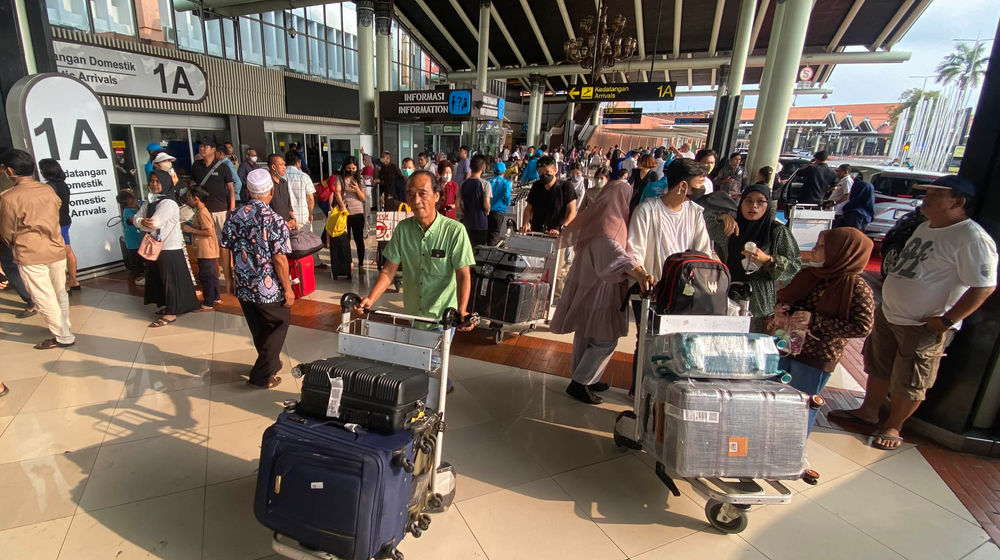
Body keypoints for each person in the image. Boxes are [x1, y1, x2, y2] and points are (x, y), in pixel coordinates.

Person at [832, 175, 997, 450]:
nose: (926, 198)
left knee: (911, 378)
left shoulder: (971, 238)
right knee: (880, 366)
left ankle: (894, 425)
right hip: (892, 313)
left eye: (935, 194)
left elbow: (984, 286)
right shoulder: (926, 227)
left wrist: (946, 320)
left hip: (923, 324)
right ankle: (869, 411)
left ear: (958, 201)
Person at [551, 180, 654, 404]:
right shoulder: (611, 227)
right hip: (600, 291)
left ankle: (586, 376)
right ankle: (580, 382)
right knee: (606, 339)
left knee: (585, 334)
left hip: (585, 286)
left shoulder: (596, 221)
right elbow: (615, 257)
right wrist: (638, 272)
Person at [772, 227, 875, 431]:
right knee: (774, 398)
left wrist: (815, 321)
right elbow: (789, 298)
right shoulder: (811, 274)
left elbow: (862, 327)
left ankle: (793, 451)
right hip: (785, 346)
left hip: (815, 356)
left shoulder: (856, 287)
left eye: (822, 246)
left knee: (802, 405)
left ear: (842, 252)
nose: (815, 249)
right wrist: (781, 309)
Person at [626, 158, 714, 392]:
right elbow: (633, 251)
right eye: (698, 184)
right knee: (648, 342)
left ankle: (667, 393)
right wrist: (641, 274)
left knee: (680, 343)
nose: (701, 190)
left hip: (686, 290)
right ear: (683, 186)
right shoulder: (647, 211)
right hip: (652, 289)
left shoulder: (695, 213)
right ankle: (640, 393)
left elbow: (704, 252)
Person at [356, 169, 476, 326]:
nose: (416, 200)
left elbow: (463, 275)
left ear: (436, 196)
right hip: (412, 316)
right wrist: (370, 299)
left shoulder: (455, 231)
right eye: (411, 194)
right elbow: (388, 270)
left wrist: (462, 310)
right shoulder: (403, 229)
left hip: (443, 319)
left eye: (422, 194)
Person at [221, 168, 295, 389]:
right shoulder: (274, 219)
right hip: (268, 288)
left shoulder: (233, 216)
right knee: (280, 322)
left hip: (243, 283)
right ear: (270, 191)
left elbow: (224, 248)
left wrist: (228, 278)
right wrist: (288, 289)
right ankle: (262, 374)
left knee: (259, 327)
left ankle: (270, 362)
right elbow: (280, 259)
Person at [0, 149, 74, 348]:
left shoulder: (9, 198)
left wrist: (17, 243)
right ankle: (63, 326)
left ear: (9, 170)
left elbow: (6, 232)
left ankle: (63, 335)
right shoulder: (47, 190)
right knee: (59, 292)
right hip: (55, 248)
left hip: (30, 252)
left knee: (43, 296)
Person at [705, 183, 802, 332]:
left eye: (760, 201)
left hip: (760, 301)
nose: (753, 206)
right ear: (741, 202)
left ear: (768, 205)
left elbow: (795, 265)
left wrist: (768, 259)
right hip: (729, 296)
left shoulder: (777, 232)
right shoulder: (731, 228)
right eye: (748, 200)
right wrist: (721, 216)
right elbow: (701, 216)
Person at [132, 172, 200, 327]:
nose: (154, 184)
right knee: (160, 277)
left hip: (169, 247)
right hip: (157, 246)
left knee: (170, 280)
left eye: (158, 181)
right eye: (152, 181)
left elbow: (154, 223)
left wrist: (141, 222)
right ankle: (168, 305)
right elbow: (136, 219)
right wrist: (142, 221)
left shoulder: (168, 203)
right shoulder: (150, 201)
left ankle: (171, 312)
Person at [38, 159, 80, 292]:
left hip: (55, 223)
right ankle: (73, 280)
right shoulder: (63, 184)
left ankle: (64, 285)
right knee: (68, 250)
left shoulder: (49, 187)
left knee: (59, 254)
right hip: (65, 221)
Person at [182, 186, 220, 311]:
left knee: (206, 276)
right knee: (212, 275)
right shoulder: (201, 211)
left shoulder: (202, 212)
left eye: (190, 197)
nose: (188, 199)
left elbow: (209, 231)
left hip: (205, 250)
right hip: (206, 249)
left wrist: (190, 229)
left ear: (196, 198)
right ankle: (215, 297)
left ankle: (208, 302)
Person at [190, 142, 236, 248]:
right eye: (201, 146)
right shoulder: (196, 166)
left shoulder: (223, 167)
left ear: (213, 150)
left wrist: (232, 208)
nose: (202, 149)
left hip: (220, 210)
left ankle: (224, 264)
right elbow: (192, 185)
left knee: (223, 241)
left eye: (205, 146)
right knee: (207, 242)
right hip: (203, 210)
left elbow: (231, 188)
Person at [520, 156, 578, 234]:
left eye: (547, 172)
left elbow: (572, 212)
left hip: (557, 234)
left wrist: (561, 227)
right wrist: (525, 224)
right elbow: (529, 208)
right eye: (540, 173)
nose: (544, 175)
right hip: (537, 231)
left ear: (555, 170)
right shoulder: (537, 186)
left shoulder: (566, 186)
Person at [336, 157, 367, 272]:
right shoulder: (340, 178)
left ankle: (361, 264)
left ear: (357, 168)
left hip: (358, 212)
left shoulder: (360, 179)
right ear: (344, 167)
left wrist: (357, 189)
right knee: (346, 239)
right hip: (345, 213)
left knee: (359, 239)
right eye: (348, 168)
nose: (351, 170)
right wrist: (342, 206)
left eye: (353, 168)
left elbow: (363, 198)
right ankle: (348, 262)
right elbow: (337, 192)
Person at [458, 154, 491, 246]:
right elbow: (486, 204)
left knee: (467, 248)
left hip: (467, 222)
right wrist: (488, 210)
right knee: (479, 251)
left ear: (470, 167)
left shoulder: (463, 184)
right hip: (481, 223)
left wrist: (464, 213)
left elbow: (458, 204)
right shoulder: (485, 184)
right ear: (483, 168)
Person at [116, 190, 145, 282]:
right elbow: (134, 220)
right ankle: (137, 275)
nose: (134, 203)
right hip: (132, 239)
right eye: (130, 203)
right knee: (135, 257)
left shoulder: (139, 207)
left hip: (140, 237)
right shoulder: (127, 211)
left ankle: (142, 271)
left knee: (141, 255)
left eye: (133, 200)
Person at [284, 152, 315, 232]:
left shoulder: (280, 177)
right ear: (298, 162)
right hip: (303, 218)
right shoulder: (304, 176)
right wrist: (310, 213)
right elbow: (310, 199)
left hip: (286, 220)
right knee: (305, 241)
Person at [266, 154, 296, 226]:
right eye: (281, 165)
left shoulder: (284, 183)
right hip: (275, 227)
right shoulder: (267, 184)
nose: (284, 167)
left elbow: (289, 205)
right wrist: (283, 224)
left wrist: (293, 220)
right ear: (273, 167)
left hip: (288, 225)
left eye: (284, 165)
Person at [487, 161, 511, 246]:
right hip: (498, 212)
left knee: (486, 233)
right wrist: (507, 203)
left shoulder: (488, 181)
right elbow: (507, 197)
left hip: (487, 211)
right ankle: (489, 255)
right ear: (504, 172)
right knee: (494, 234)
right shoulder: (506, 183)